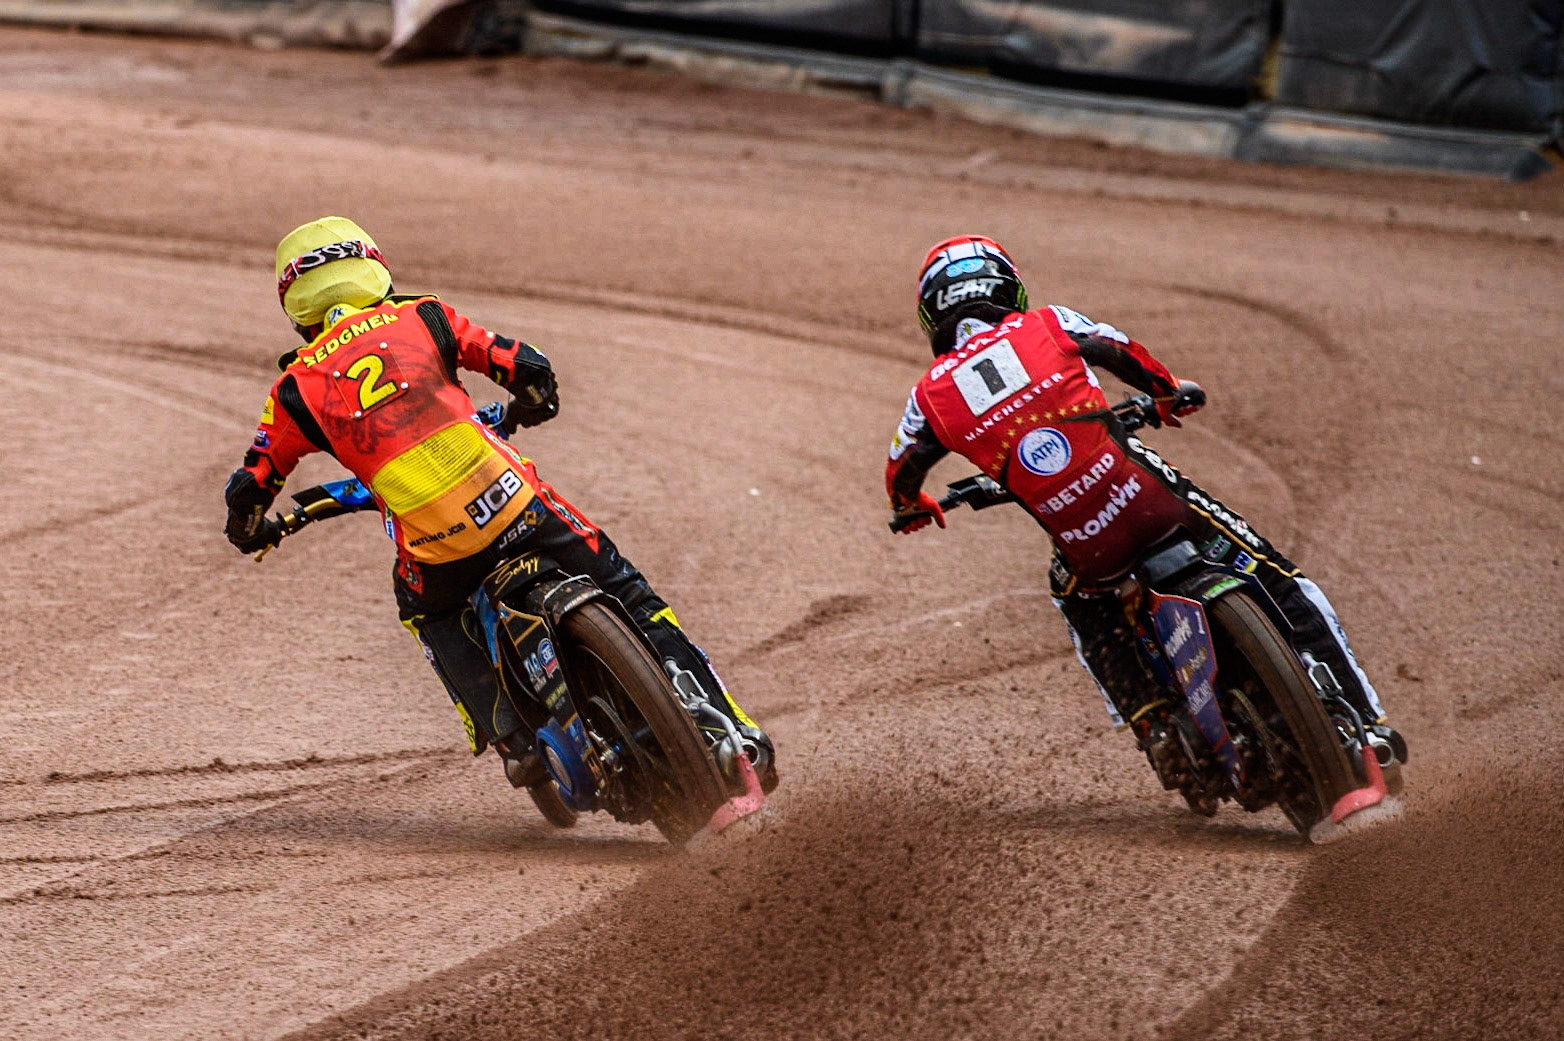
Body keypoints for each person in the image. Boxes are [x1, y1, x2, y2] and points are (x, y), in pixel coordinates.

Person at [223, 216, 775, 795]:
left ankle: (511, 740)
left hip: (438, 552)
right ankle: (735, 732)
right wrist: (534, 402)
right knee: (632, 596)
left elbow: (249, 486)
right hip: (519, 507)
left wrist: (251, 529)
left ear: (297, 309)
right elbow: (525, 363)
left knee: (425, 613)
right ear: (375, 269)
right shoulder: (425, 316)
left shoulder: (293, 389)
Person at [884, 234, 1404, 799]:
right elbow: (1121, 351)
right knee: (1282, 580)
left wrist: (911, 507)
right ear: (1010, 289)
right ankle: (1369, 726)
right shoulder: (1049, 322)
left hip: (1091, 550)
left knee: (1078, 600)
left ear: (932, 315)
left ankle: (1152, 723)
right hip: (1154, 502)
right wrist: (1166, 392)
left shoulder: (927, 397)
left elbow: (901, 471)